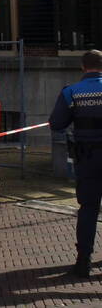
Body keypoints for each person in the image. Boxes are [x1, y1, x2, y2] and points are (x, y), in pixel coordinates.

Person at [49, 49, 102, 278]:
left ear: (82, 66)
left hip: (87, 158)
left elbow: (56, 124)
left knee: (88, 208)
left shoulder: (71, 92)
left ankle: (83, 262)